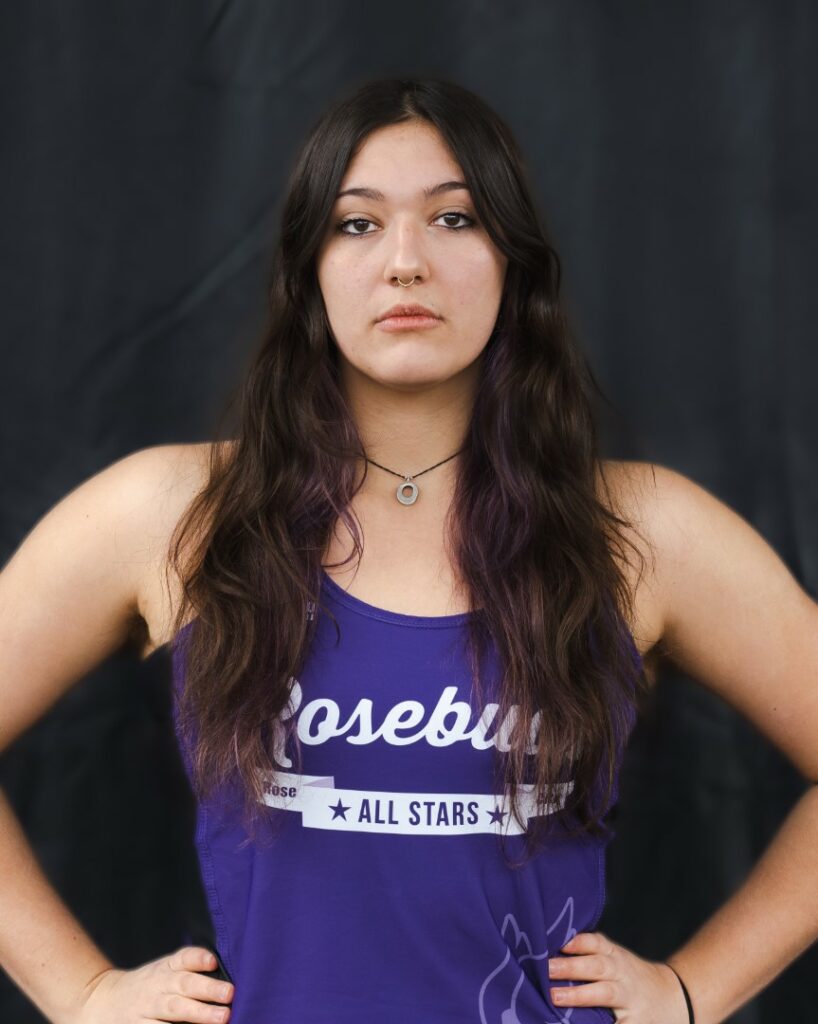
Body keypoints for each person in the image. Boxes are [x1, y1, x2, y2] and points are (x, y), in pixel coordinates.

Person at [1, 76, 816, 1024]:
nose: (404, 263)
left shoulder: (640, 530)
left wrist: (691, 991)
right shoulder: (173, 514)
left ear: (513, 259)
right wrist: (80, 993)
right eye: (356, 224)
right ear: (308, 267)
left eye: (454, 218)